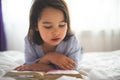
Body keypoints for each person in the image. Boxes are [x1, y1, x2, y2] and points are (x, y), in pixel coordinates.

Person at [15, 0, 83, 72]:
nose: (56, 33)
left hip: (78, 49)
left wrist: (44, 63)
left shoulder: (72, 41)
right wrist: (49, 57)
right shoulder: (30, 40)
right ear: (36, 26)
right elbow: (29, 65)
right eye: (48, 26)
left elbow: (73, 68)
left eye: (62, 25)